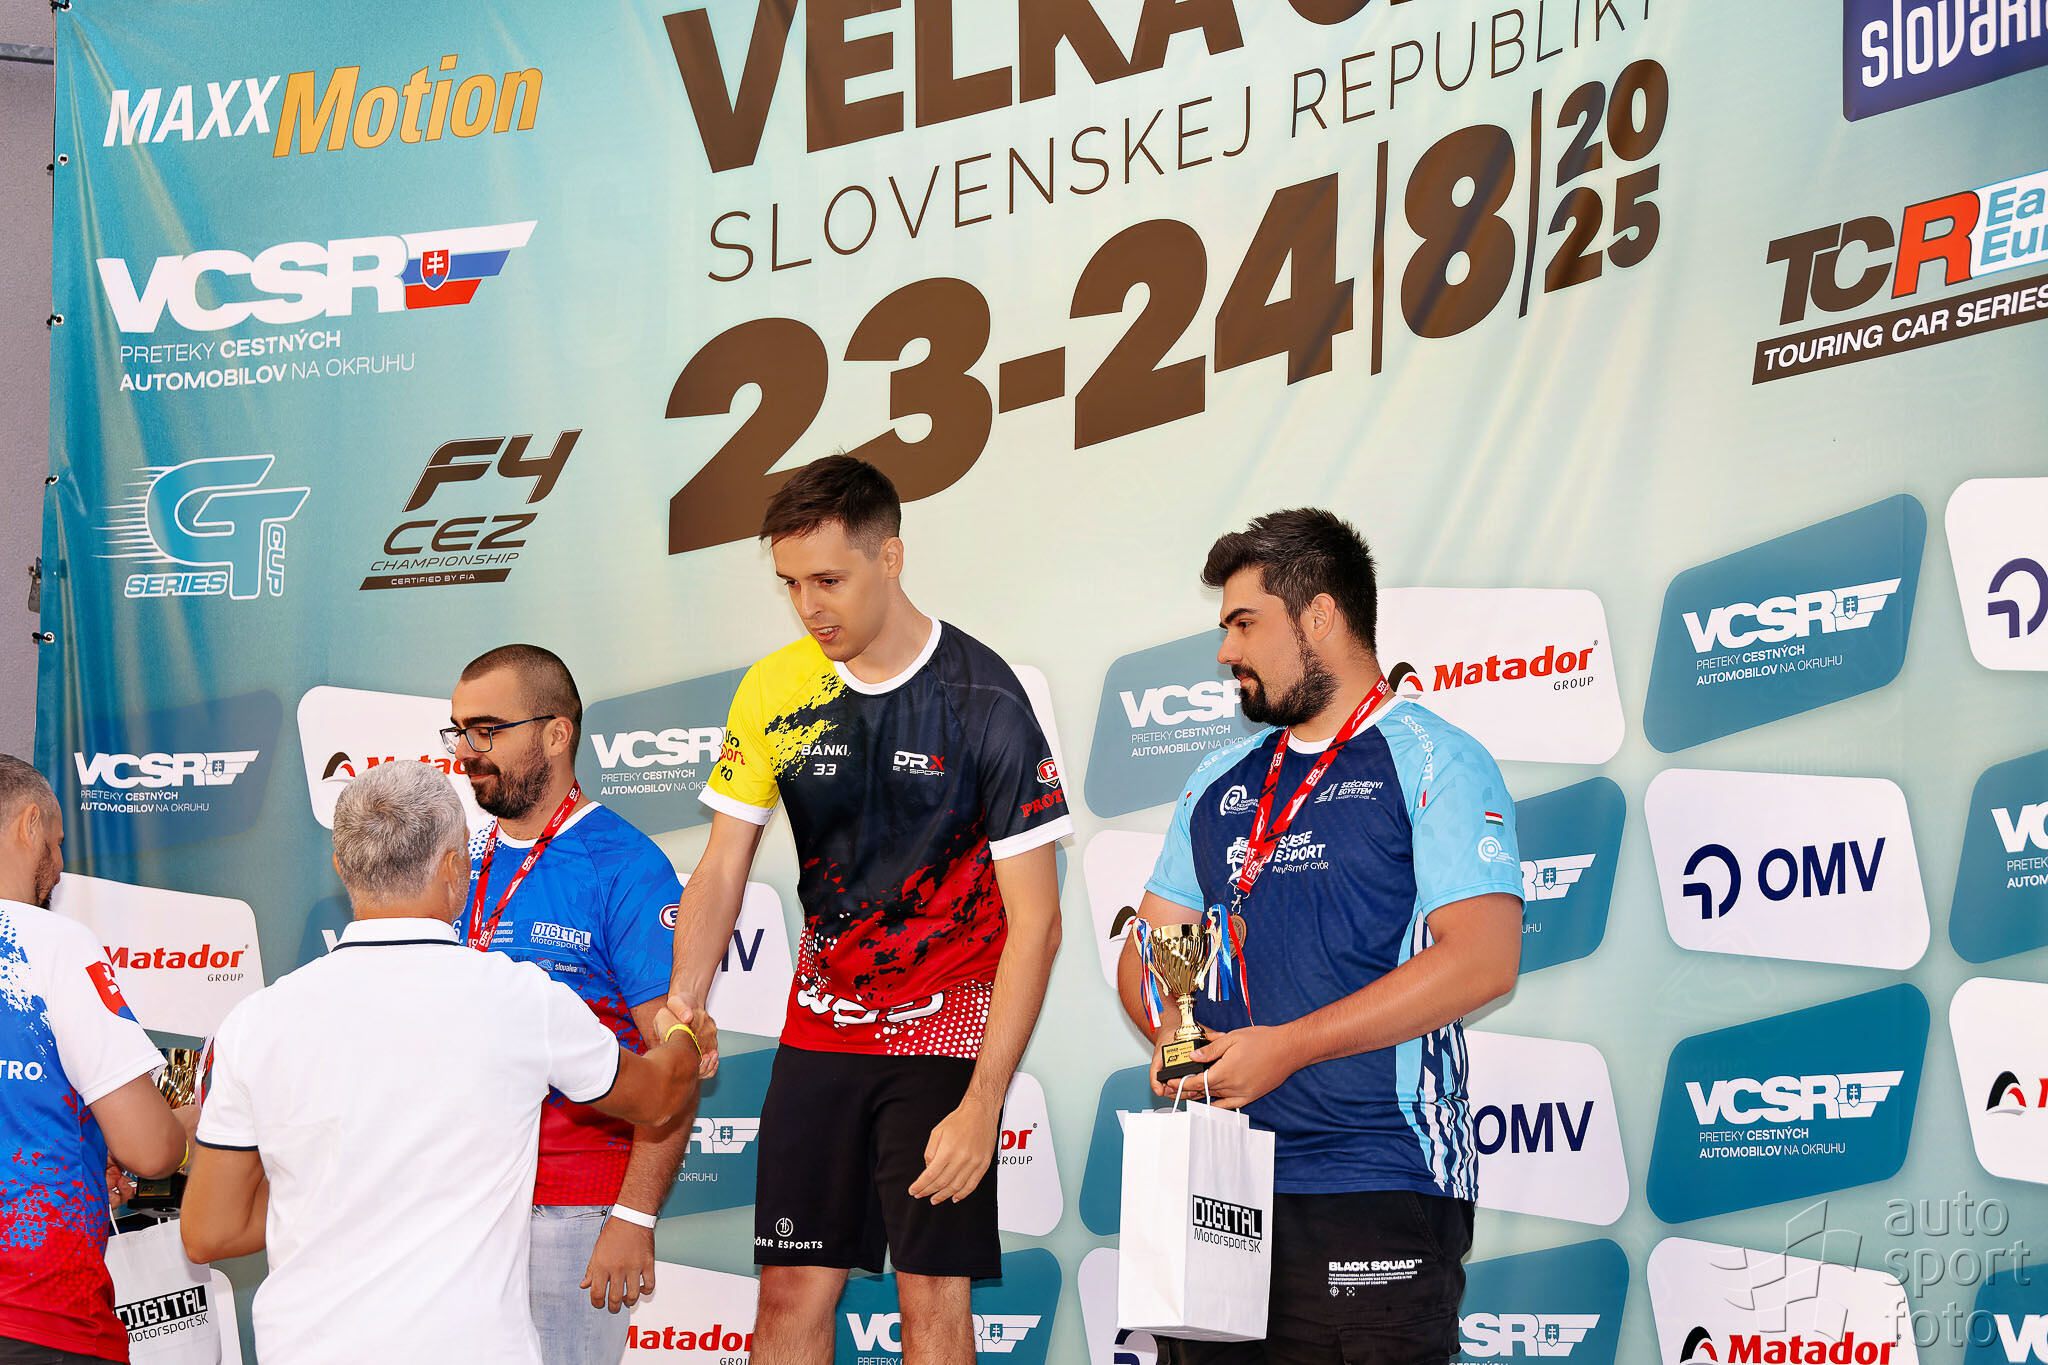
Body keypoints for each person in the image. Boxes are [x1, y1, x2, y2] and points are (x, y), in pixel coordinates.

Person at [665, 454, 1071, 1365]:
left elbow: (1036, 923)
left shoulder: (984, 697)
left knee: (932, 1299)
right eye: (790, 584)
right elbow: (723, 863)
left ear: (890, 557)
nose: (809, 607)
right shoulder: (775, 688)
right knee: (788, 1291)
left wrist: (984, 1102)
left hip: (943, 1031)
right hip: (822, 1028)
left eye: (828, 580)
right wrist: (686, 997)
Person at [1115, 509, 1525, 1365]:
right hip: (1222, 1186)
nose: (1225, 651)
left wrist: (1289, 1047)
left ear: (1320, 617)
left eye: (1243, 623)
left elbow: (1484, 958)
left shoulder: (1433, 757)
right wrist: (1176, 1033)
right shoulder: (1219, 780)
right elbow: (1158, 944)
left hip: (1375, 1176)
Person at [180, 760, 702, 1365]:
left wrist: (328, 1200)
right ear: (457, 868)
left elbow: (210, 1230)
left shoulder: (256, 1022)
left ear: (341, 868)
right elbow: (659, 1097)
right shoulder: (521, 999)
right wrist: (683, 1033)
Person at [446, 644, 693, 1361]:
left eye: (487, 730)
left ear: (556, 733)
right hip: (463, 1203)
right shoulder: (455, 861)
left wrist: (634, 1212)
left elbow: (676, 1062)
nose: (466, 751)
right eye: (458, 731)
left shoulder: (624, 864)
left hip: (573, 1209)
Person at [0, 754, 188, 1365]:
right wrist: (196, 1120)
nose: (57, 868)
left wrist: (86, 1138)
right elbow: (151, 1151)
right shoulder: (50, 943)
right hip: (41, 1314)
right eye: (56, 843)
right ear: (30, 823)